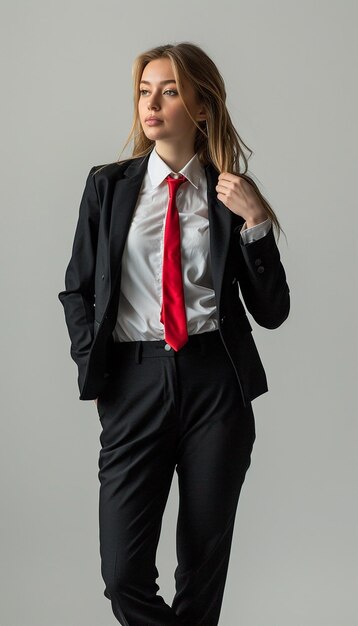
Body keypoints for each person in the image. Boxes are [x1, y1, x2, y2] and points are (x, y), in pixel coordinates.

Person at [58, 42, 290, 626]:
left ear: (203, 107)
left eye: (169, 91)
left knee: (202, 568)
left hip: (216, 384)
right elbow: (78, 291)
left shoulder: (229, 194)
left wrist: (257, 223)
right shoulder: (108, 187)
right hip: (133, 382)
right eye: (144, 90)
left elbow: (272, 312)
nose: (151, 104)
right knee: (123, 576)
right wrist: (96, 375)